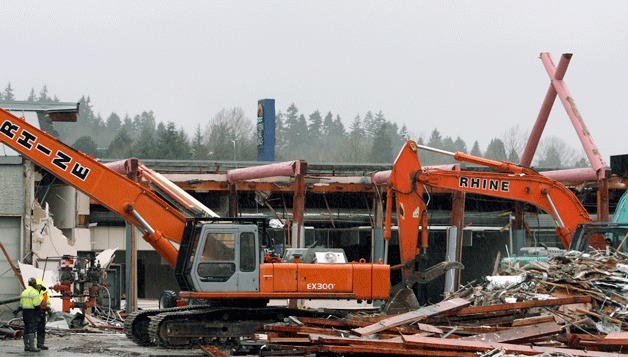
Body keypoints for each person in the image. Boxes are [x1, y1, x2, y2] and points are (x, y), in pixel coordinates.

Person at [18, 277, 43, 352]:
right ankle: (32, 347)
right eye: (35, 283)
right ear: (33, 284)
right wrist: (39, 314)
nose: (36, 285)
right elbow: (36, 305)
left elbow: (21, 304)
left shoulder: (24, 292)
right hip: (32, 313)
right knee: (32, 330)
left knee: (26, 329)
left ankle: (26, 346)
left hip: (25, 313)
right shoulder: (34, 292)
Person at [35, 279, 52, 350]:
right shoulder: (33, 292)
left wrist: (48, 308)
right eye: (37, 286)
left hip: (42, 312)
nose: (39, 287)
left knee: (41, 329)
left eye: (40, 286)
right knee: (32, 329)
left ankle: (40, 344)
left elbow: (47, 301)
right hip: (34, 312)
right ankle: (30, 345)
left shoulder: (45, 293)